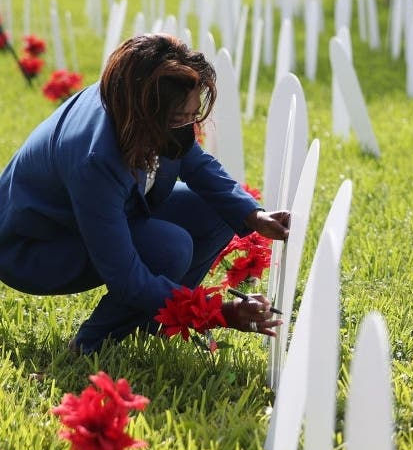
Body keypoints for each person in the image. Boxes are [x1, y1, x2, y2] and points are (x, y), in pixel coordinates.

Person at [0, 33, 290, 353]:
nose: (189, 122)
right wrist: (218, 312)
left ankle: (152, 322)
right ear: (147, 109)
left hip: (95, 214)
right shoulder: (95, 157)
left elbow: (193, 161)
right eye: (180, 118)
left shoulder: (133, 98)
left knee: (217, 212)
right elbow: (125, 275)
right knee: (169, 247)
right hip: (35, 246)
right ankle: (90, 346)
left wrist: (254, 214)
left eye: (192, 115)